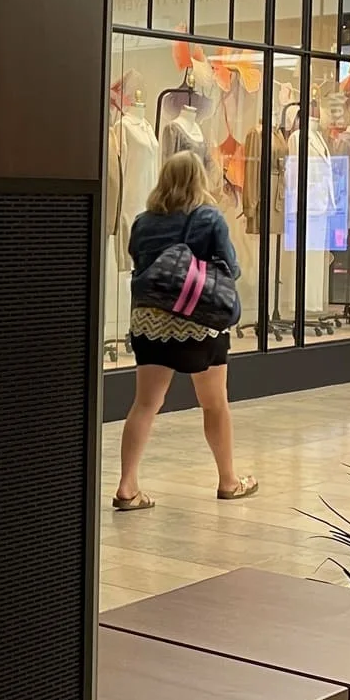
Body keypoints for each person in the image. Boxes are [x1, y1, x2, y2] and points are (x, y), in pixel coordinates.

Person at [113, 148, 256, 510]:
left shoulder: (144, 221)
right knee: (214, 404)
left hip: (150, 321)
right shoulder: (209, 217)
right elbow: (231, 266)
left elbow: (138, 261)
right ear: (199, 180)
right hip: (198, 320)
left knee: (145, 404)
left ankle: (127, 487)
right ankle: (228, 481)